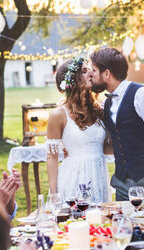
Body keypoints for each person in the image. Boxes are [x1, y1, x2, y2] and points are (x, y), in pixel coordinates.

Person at [89, 47, 144, 206]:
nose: (91, 74)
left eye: (93, 70)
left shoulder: (143, 95)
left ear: (106, 73)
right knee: (123, 228)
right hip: (121, 183)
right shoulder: (108, 103)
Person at [46, 57, 111, 203]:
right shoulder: (59, 115)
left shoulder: (99, 110)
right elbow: (52, 157)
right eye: (84, 71)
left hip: (98, 174)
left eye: (89, 69)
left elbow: (104, 147)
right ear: (73, 80)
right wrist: (54, 193)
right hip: (73, 177)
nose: (90, 73)